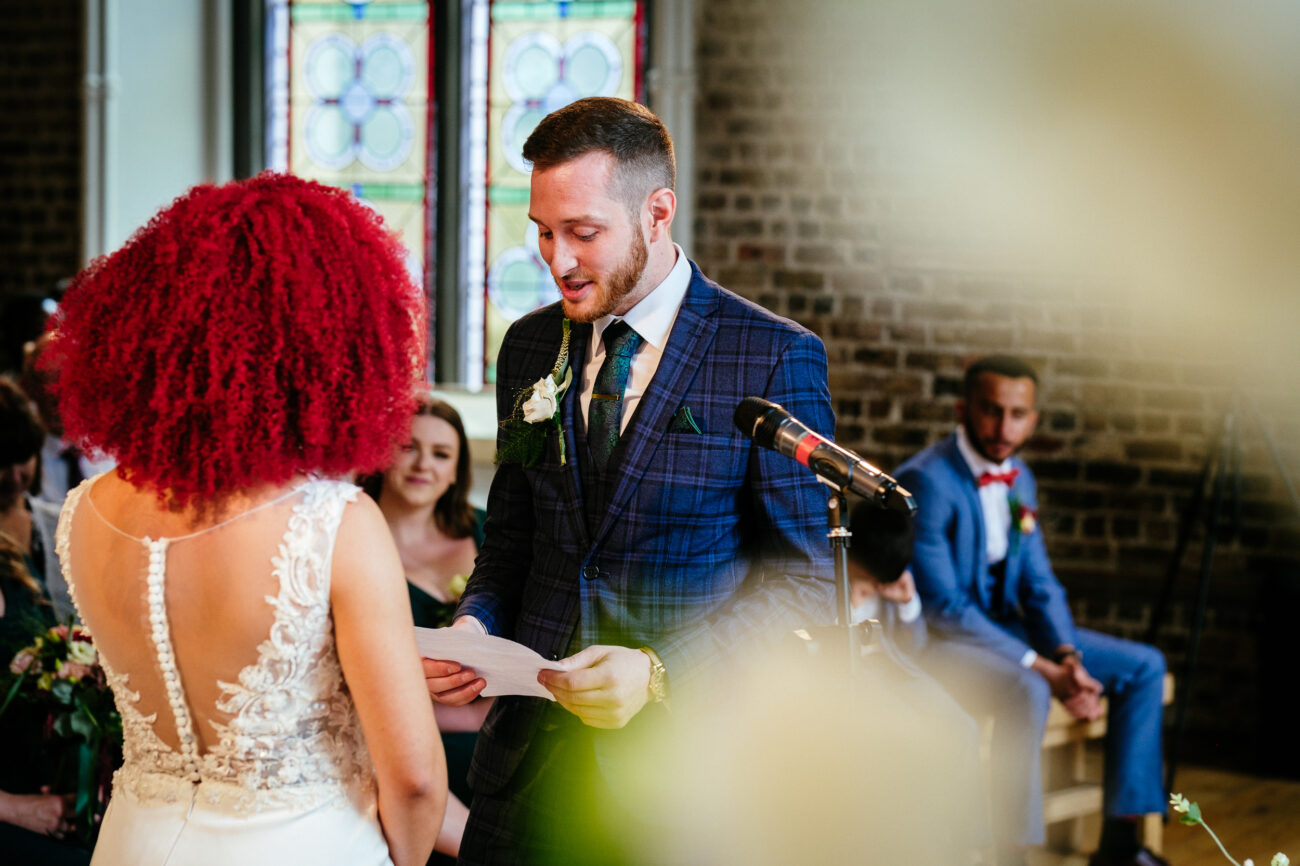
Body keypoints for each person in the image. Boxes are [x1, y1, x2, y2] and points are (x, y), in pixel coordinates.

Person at [423, 97, 836, 864]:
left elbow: (806, 584)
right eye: (544, 233)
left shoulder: (771, 356)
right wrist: (475, 627)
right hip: (525, 780)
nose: (559, 260)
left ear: (657, 212)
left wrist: (658, 674)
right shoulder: (528, 345)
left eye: (584, 233)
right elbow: (511, 541)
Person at [46, 173, 445, 866]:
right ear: (325, 347)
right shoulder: (334, 522)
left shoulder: (85, 510)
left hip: (134, 842)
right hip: (304, 845)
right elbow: (412, 780)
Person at [896, 355, 1168, 866]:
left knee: (1145, 665)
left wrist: (1067, 656)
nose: (1003, 427)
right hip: (942, 644)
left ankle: (1121, 844)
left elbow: (1040, 584)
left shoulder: (1020, 478)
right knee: (1027, 687)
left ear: (1034, 419)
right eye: (990, 411)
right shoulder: (927, 481)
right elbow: (945, 607)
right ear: (963, 409)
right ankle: (1011, 854)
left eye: (1017, 414)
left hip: (1006, 630)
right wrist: (1041, 667)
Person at [362, 394, 489, 861]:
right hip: (396, 755)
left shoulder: (487, 532)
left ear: (456, 471)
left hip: (496, 754)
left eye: (441, 454)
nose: (423, 465)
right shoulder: (354, 542)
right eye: (408, 447)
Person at [0, 378, 90, 866]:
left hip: (56, 748)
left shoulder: (61, 524)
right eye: (1, 463)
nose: (13, 475)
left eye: (23, 460)